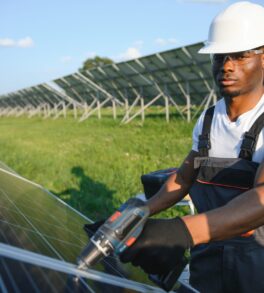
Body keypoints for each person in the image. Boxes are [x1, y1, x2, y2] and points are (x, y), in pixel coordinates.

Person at [119, 2, 264, 292]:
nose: (226, 65)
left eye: (239, 55)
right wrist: (142, 211)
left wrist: (180, 231)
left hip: (256, 260)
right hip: (205, 252)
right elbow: (186, 175)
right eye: (219, 56)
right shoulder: (209, 118)